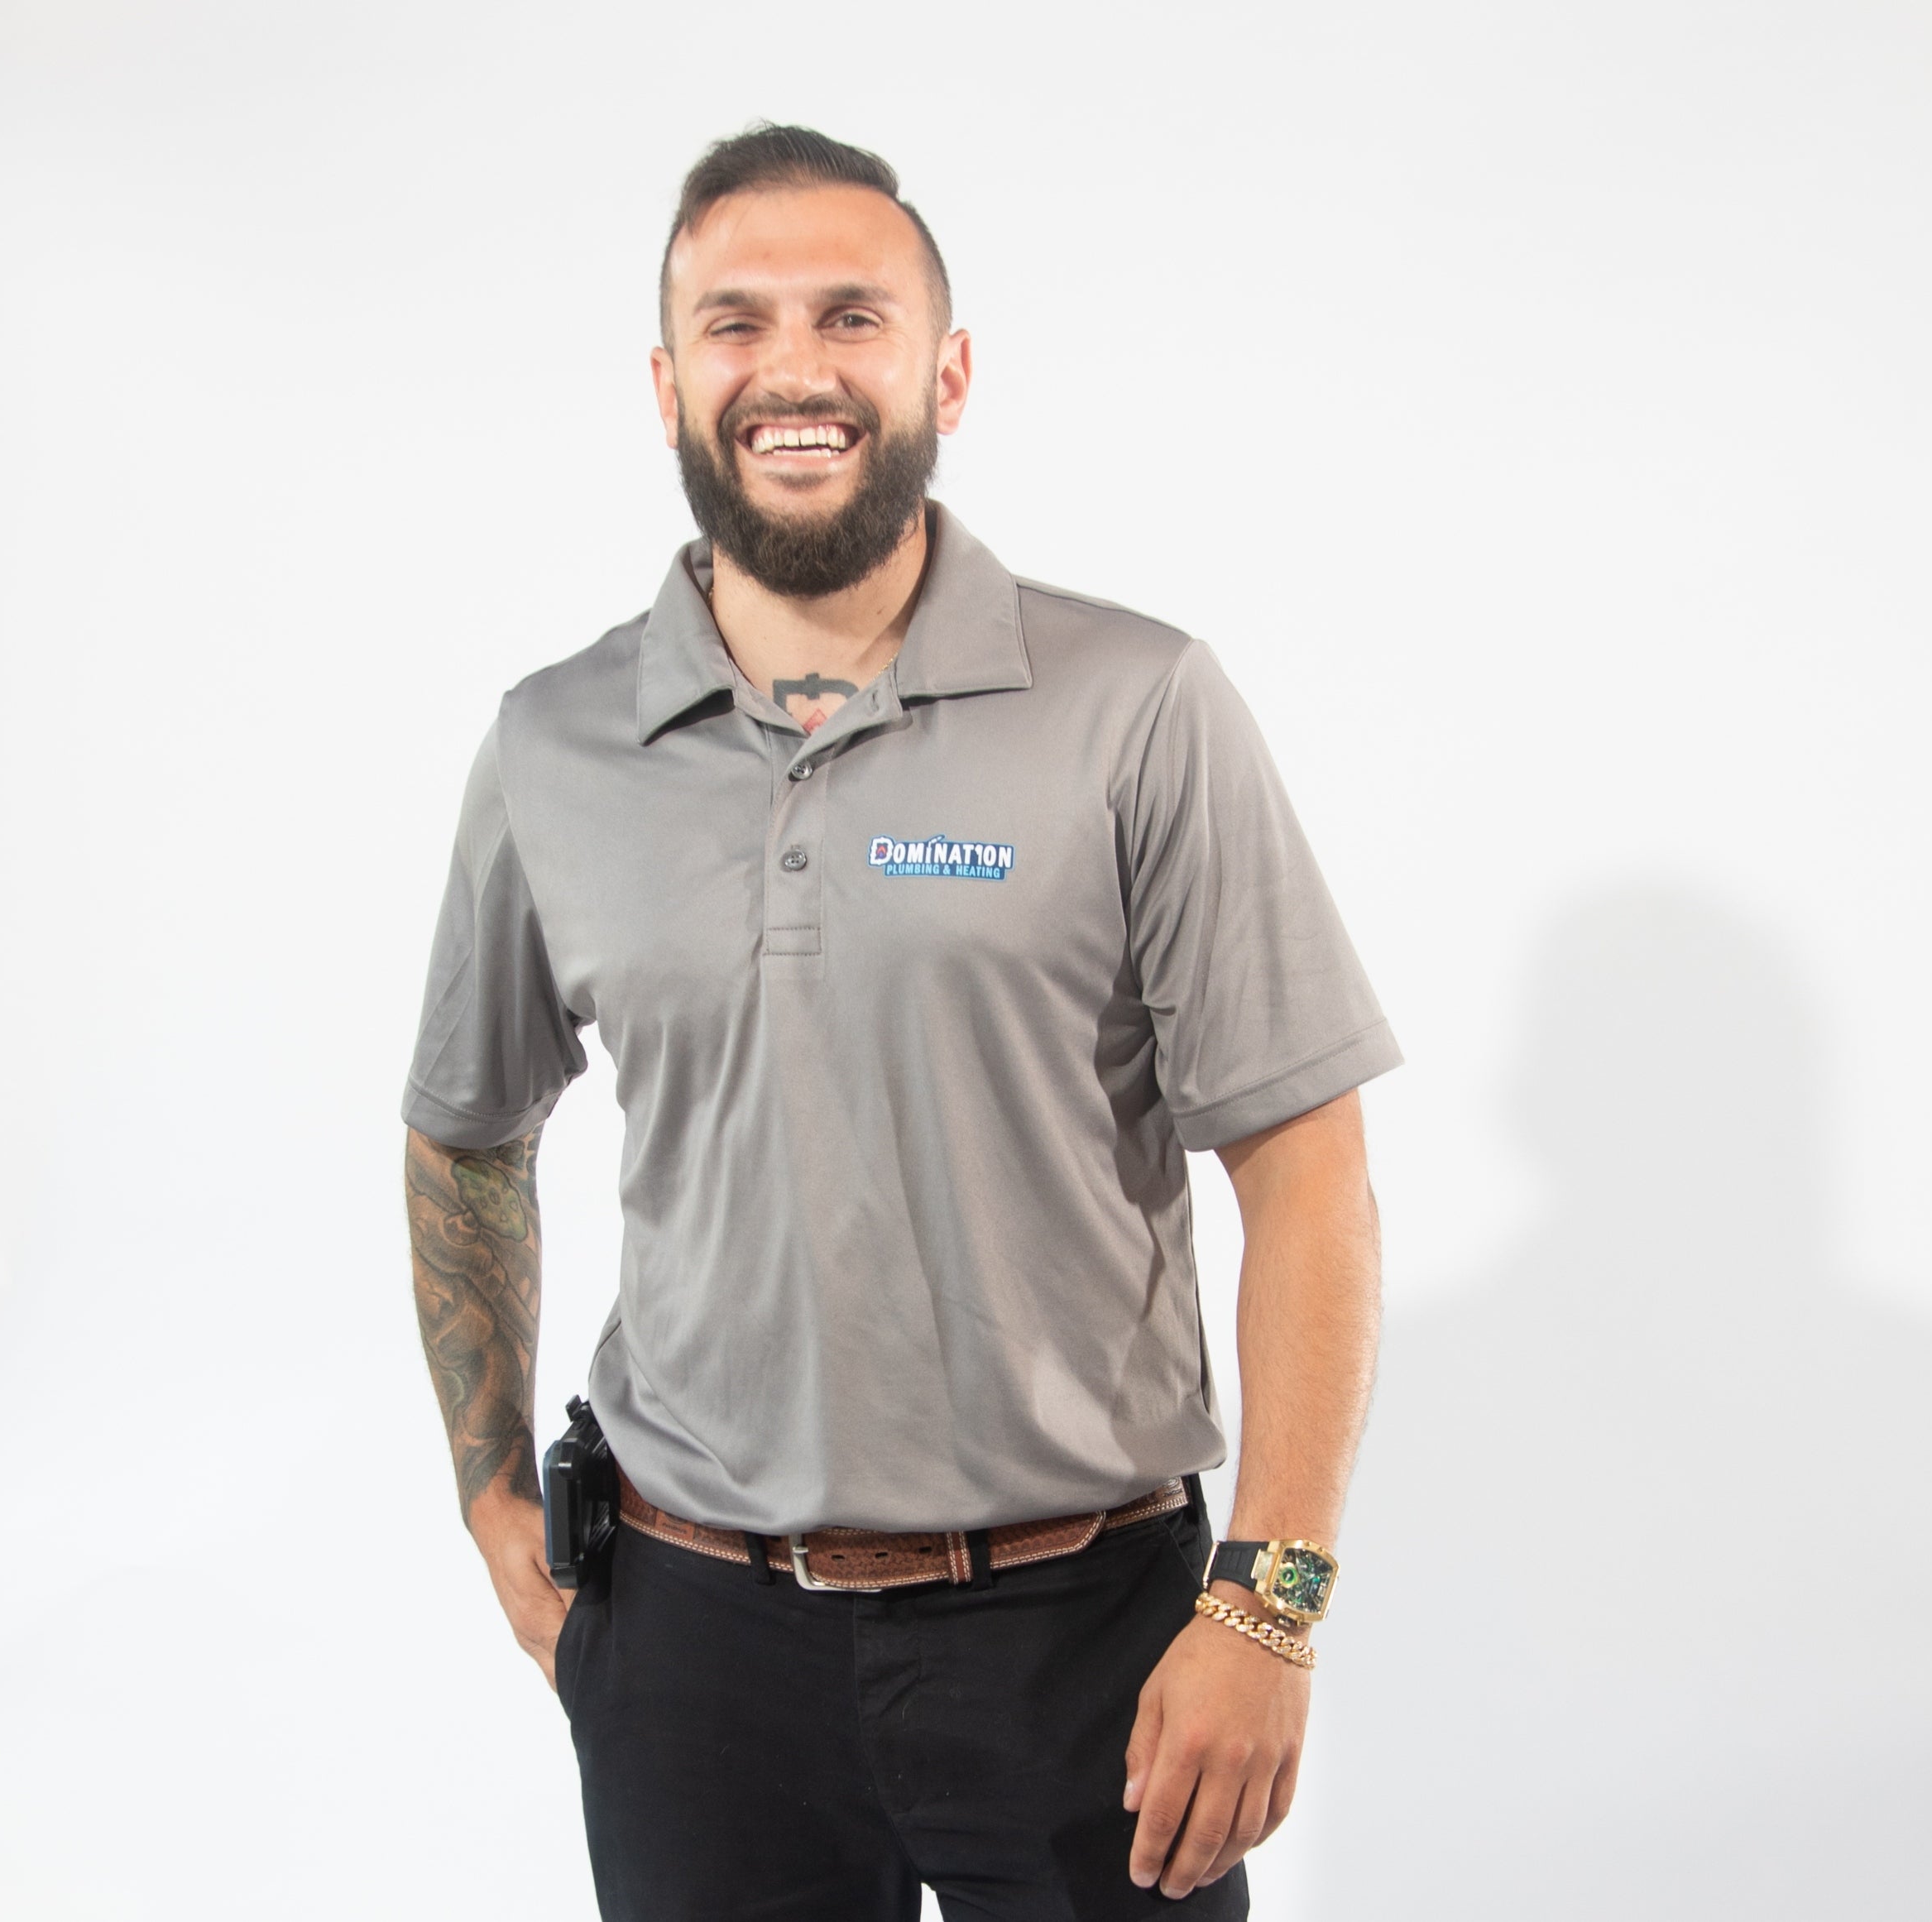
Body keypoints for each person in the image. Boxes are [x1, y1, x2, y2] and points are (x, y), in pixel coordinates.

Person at [402, 123, 1398, 1920]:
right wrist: (490, 1508)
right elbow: (466, 1131)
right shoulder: (552, 747)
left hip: (1081, 1634)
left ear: (944, 370)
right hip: (690, 1643)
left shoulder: (1135, 705)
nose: (792, 368)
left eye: (850, 317)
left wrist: (1269, 1600)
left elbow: (1306, 1165)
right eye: (735, 323)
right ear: (666, 381)